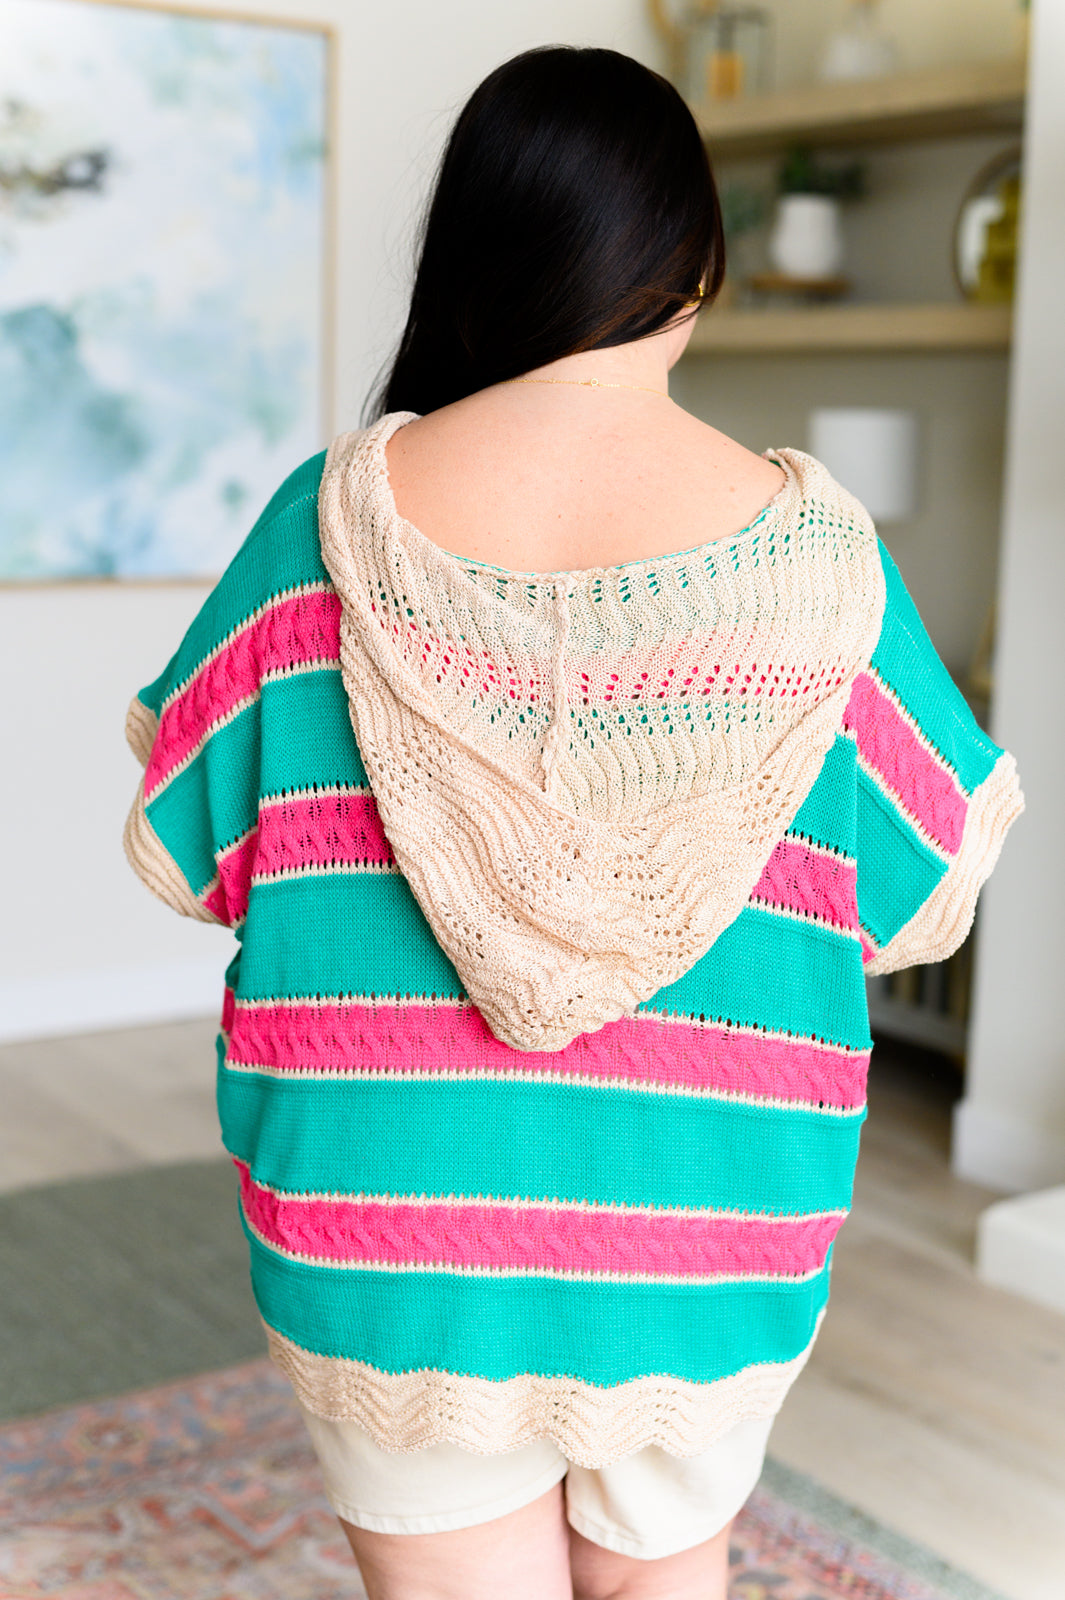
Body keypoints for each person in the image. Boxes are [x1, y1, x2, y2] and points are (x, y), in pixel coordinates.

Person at [122, 44, 1023, 1600]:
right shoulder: (824, 565)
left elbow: (195, 856)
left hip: (385, 1216)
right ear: (696, 267)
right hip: (714, 1219)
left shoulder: (319, 525)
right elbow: (917, 897)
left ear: (476, 255)